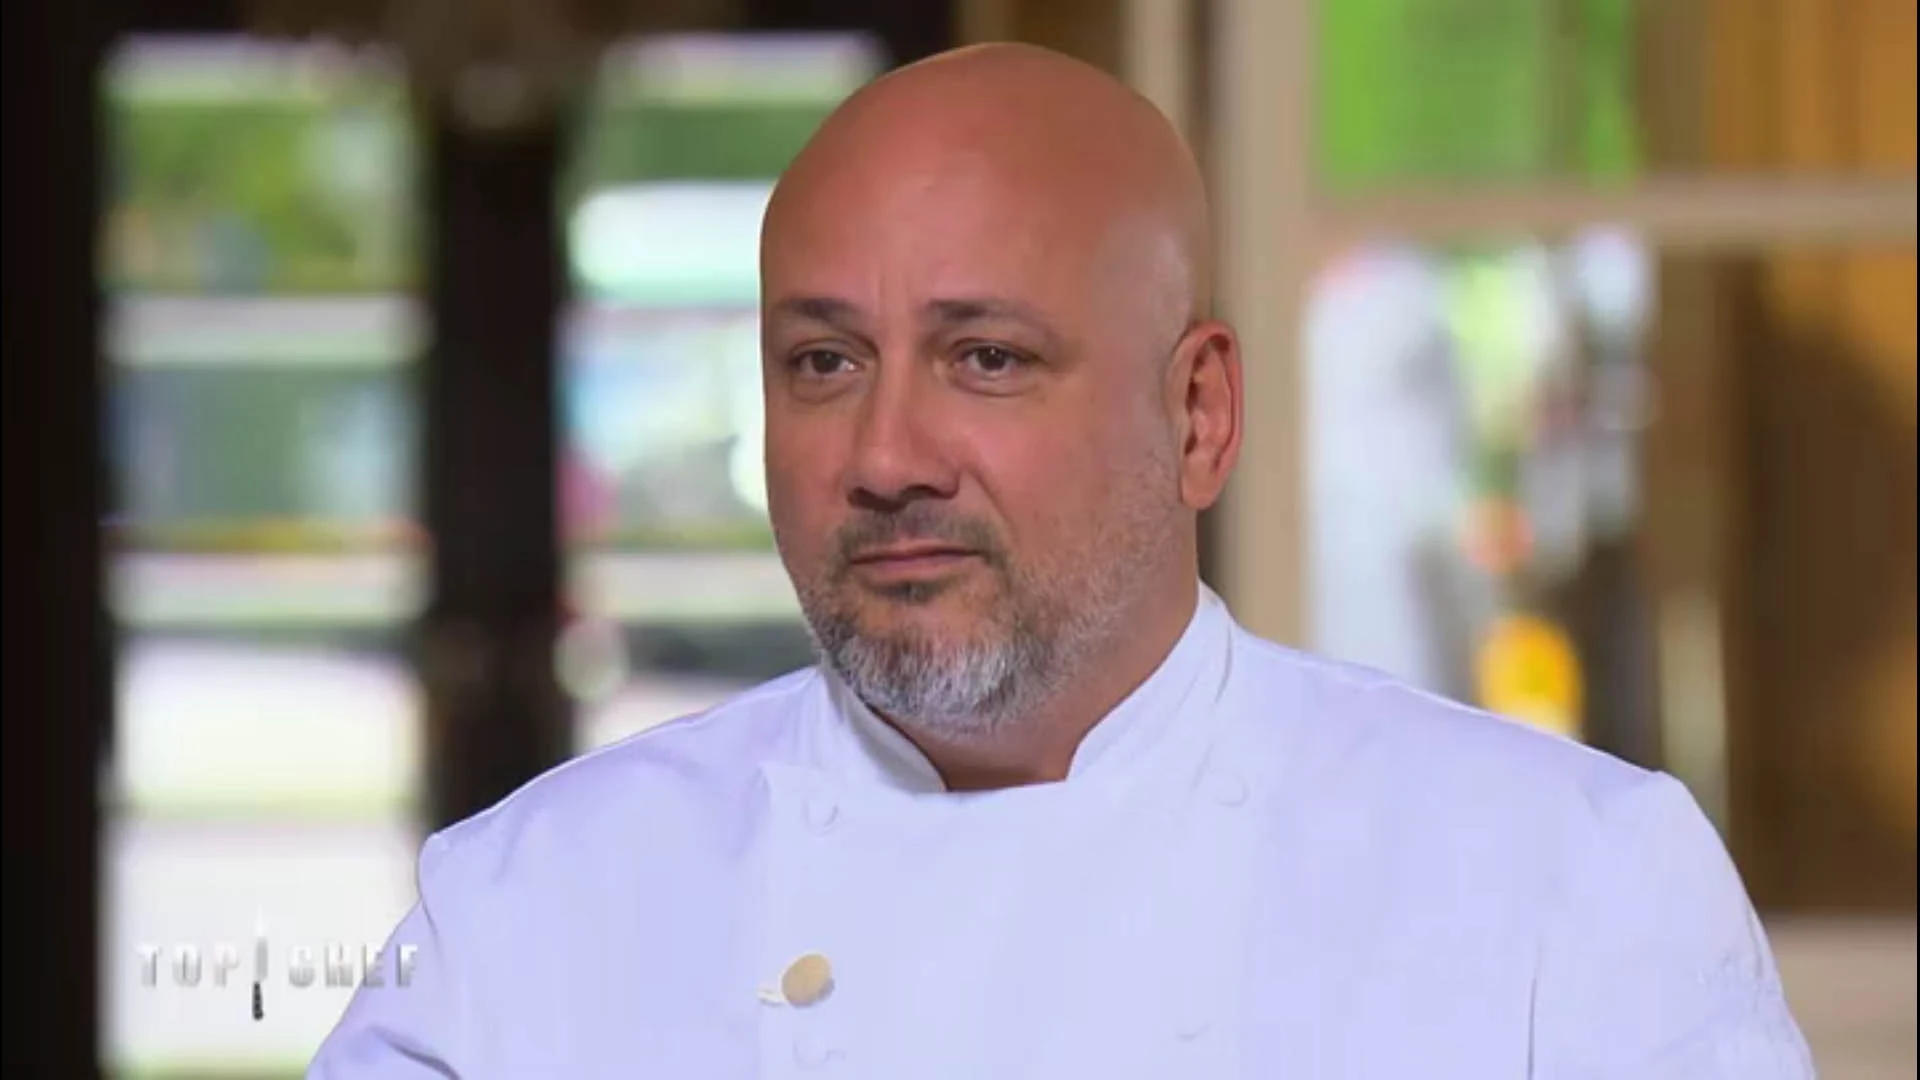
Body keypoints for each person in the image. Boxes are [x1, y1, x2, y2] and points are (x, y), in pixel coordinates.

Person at [308, 43, 1813, 1079]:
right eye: (824, 363)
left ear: (1198, 414)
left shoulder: (1567, 888)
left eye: (986, 358)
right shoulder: (527, 915)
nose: (886, 455)